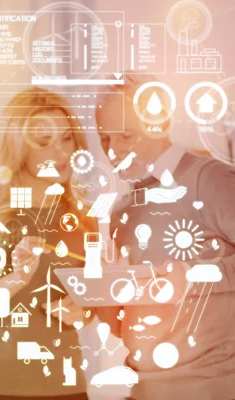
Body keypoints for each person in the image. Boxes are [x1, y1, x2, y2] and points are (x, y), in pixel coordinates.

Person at [95, 74, 235, 399]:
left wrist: (191, 278)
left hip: (208, 387)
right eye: (104, 139)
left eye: (125, 136)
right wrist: (106, 291)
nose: (113, 151)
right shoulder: (120, 211)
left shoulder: (212, 180)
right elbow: (118, 326)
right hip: (139, 388)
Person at [0, 88, 96, 400]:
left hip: (65, 388)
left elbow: (89, 307)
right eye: (44, 141)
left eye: (67, 138)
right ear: (19, 148)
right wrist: (17, 278)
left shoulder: (86, 217)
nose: (60, 152)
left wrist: (82, 310)